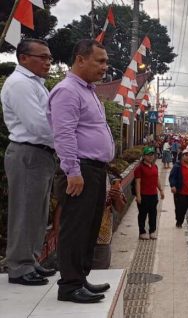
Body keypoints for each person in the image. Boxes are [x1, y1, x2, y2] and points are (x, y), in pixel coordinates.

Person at [48, 39, 114, 303]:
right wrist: (72, 171)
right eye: (100, 61)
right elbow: (63, 134)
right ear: (80, 59)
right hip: (80, 171)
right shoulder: (67, 91)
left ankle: (81, 277)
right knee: (75, 227)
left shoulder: (88, 90)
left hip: (95, 170)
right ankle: (69, 285)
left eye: (106, 62)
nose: (105, 67)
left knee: (89, 227)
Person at [2, 38, 58, 286]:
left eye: (49, 58)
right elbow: (38, 125)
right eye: (42, 57)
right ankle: (18, 266)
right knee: (25, 210)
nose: (48, 62)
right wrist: (66, 142)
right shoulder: (20, 84)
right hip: (28, 152)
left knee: (37, 212)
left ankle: (31, 260)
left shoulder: (36, 84)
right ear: (24, 58)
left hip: (40, 154)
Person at [93, 176, 127, 269]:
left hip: (102, 239)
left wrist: (116, 198)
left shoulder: (111, 178)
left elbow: (120, 208)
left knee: (99, 275)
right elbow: (62, 204)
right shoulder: (76, 174)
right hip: (79, 240)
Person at [135, 146, 165, 240]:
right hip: (144, 195)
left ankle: (152, 231)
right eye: (148, 155)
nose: (151, 156)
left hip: (153, 195)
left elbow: (157, 179)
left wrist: (161, 190)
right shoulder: (139, 168)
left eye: (152, 154)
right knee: (142, 214)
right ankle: (142, 232)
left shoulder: (154, 166)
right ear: (144, 156)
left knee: (153, 214)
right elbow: (137, 182)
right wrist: (138, 195)